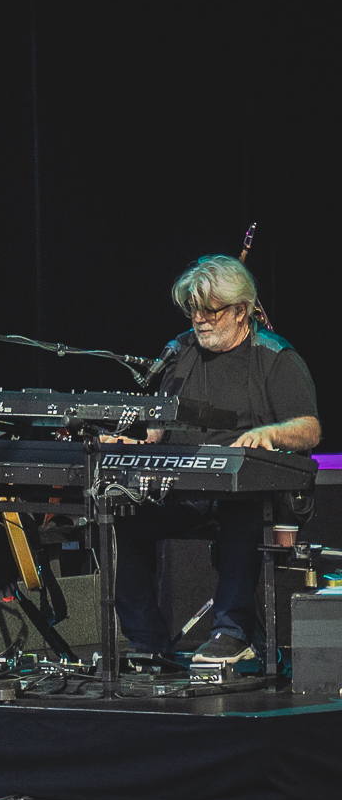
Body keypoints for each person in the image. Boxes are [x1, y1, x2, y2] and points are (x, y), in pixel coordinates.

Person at [114, 255, 321, 666]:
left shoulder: (275, 357)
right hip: (184, 487)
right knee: (124, 515)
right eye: (193, 310)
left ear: (241, 310)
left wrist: (269, 433)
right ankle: (147, 641)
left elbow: (310, 429)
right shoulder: (180, 353)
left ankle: (232, 632)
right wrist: (128, 441)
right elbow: (158, 429)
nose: (200, 320)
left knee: (244, 509)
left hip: (245, 488)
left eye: (210, 310)